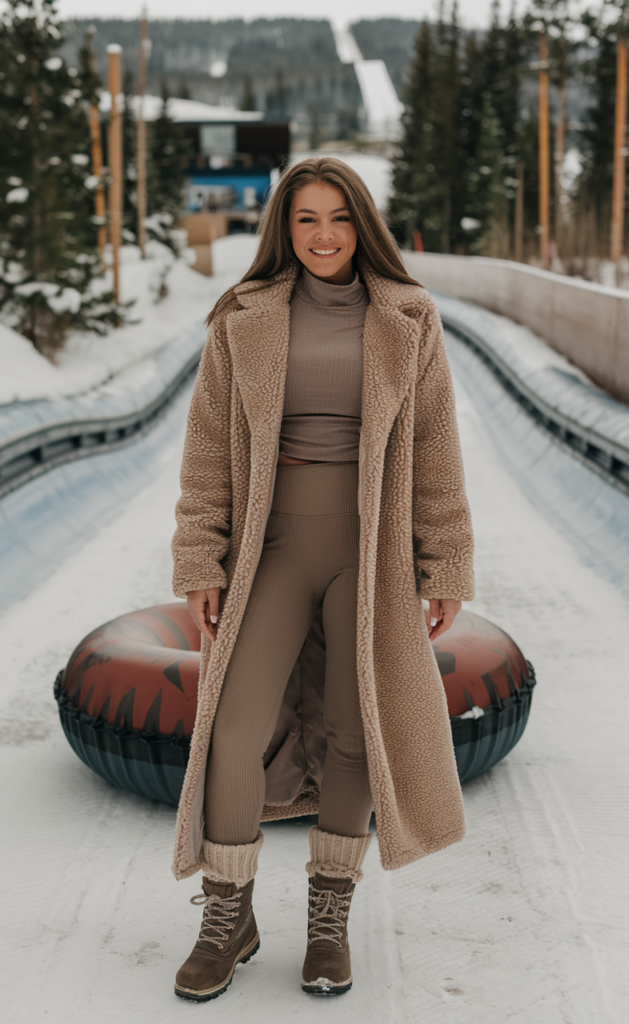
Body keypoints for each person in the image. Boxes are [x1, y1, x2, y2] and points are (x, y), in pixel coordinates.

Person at [170, 157, 474, 1001]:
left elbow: (434, 449)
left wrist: (443, 561)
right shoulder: (244, 317)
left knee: (354, 724)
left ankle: (327, 917)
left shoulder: (407, 318)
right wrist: (201, 556)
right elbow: (205, 451)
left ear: (362, 223)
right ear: (284, 229)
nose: (324, 236)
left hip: (370, 549)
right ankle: (228, 914)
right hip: (272, 547)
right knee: (232, 726)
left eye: (339, 217)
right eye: (306, 219)